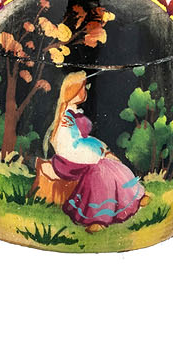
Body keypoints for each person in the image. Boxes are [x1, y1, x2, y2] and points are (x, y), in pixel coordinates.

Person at [37, 71, 146, 230]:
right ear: (74, 90)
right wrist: (97, 154)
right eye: (83, 87)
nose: (85, 91)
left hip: (80, 153)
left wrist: (100, 149)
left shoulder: (73, 112)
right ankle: (97, 218)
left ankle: (134, 197)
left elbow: (81, 138)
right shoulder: (66, 117)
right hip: (69, 160)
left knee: (112, 164)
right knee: (101, 169)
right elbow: (68, 145)